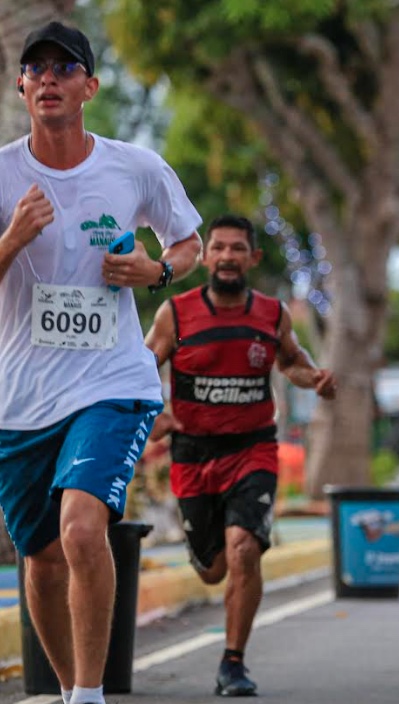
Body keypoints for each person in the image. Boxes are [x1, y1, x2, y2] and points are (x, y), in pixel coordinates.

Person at [0, 21, 203, 704]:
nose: (49, 78)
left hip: (112, 382)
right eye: (37, 68)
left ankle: (90, 696)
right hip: (21, 397)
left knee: (84, 529)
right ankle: (67, 691)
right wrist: (12, 239)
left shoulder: (133, 167)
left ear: (89, 85)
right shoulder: (1, 175)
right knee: (43, 559)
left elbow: (188, 245)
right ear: (22, 84)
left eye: (65, 67)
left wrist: (155, 270)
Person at [144, 214, 336, 697]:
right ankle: (200, 548)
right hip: (192, 455)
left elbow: (291, 361)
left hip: (253, 449)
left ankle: (233, 661)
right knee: (213, 569)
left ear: (253, 258)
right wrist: (156, 419)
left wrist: (316, 378)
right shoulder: (177, 314)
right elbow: (140, 371)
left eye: (238, 249)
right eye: (219, 248)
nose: (228, 256)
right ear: (205, 257)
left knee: (245, 549)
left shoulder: (272, 314)